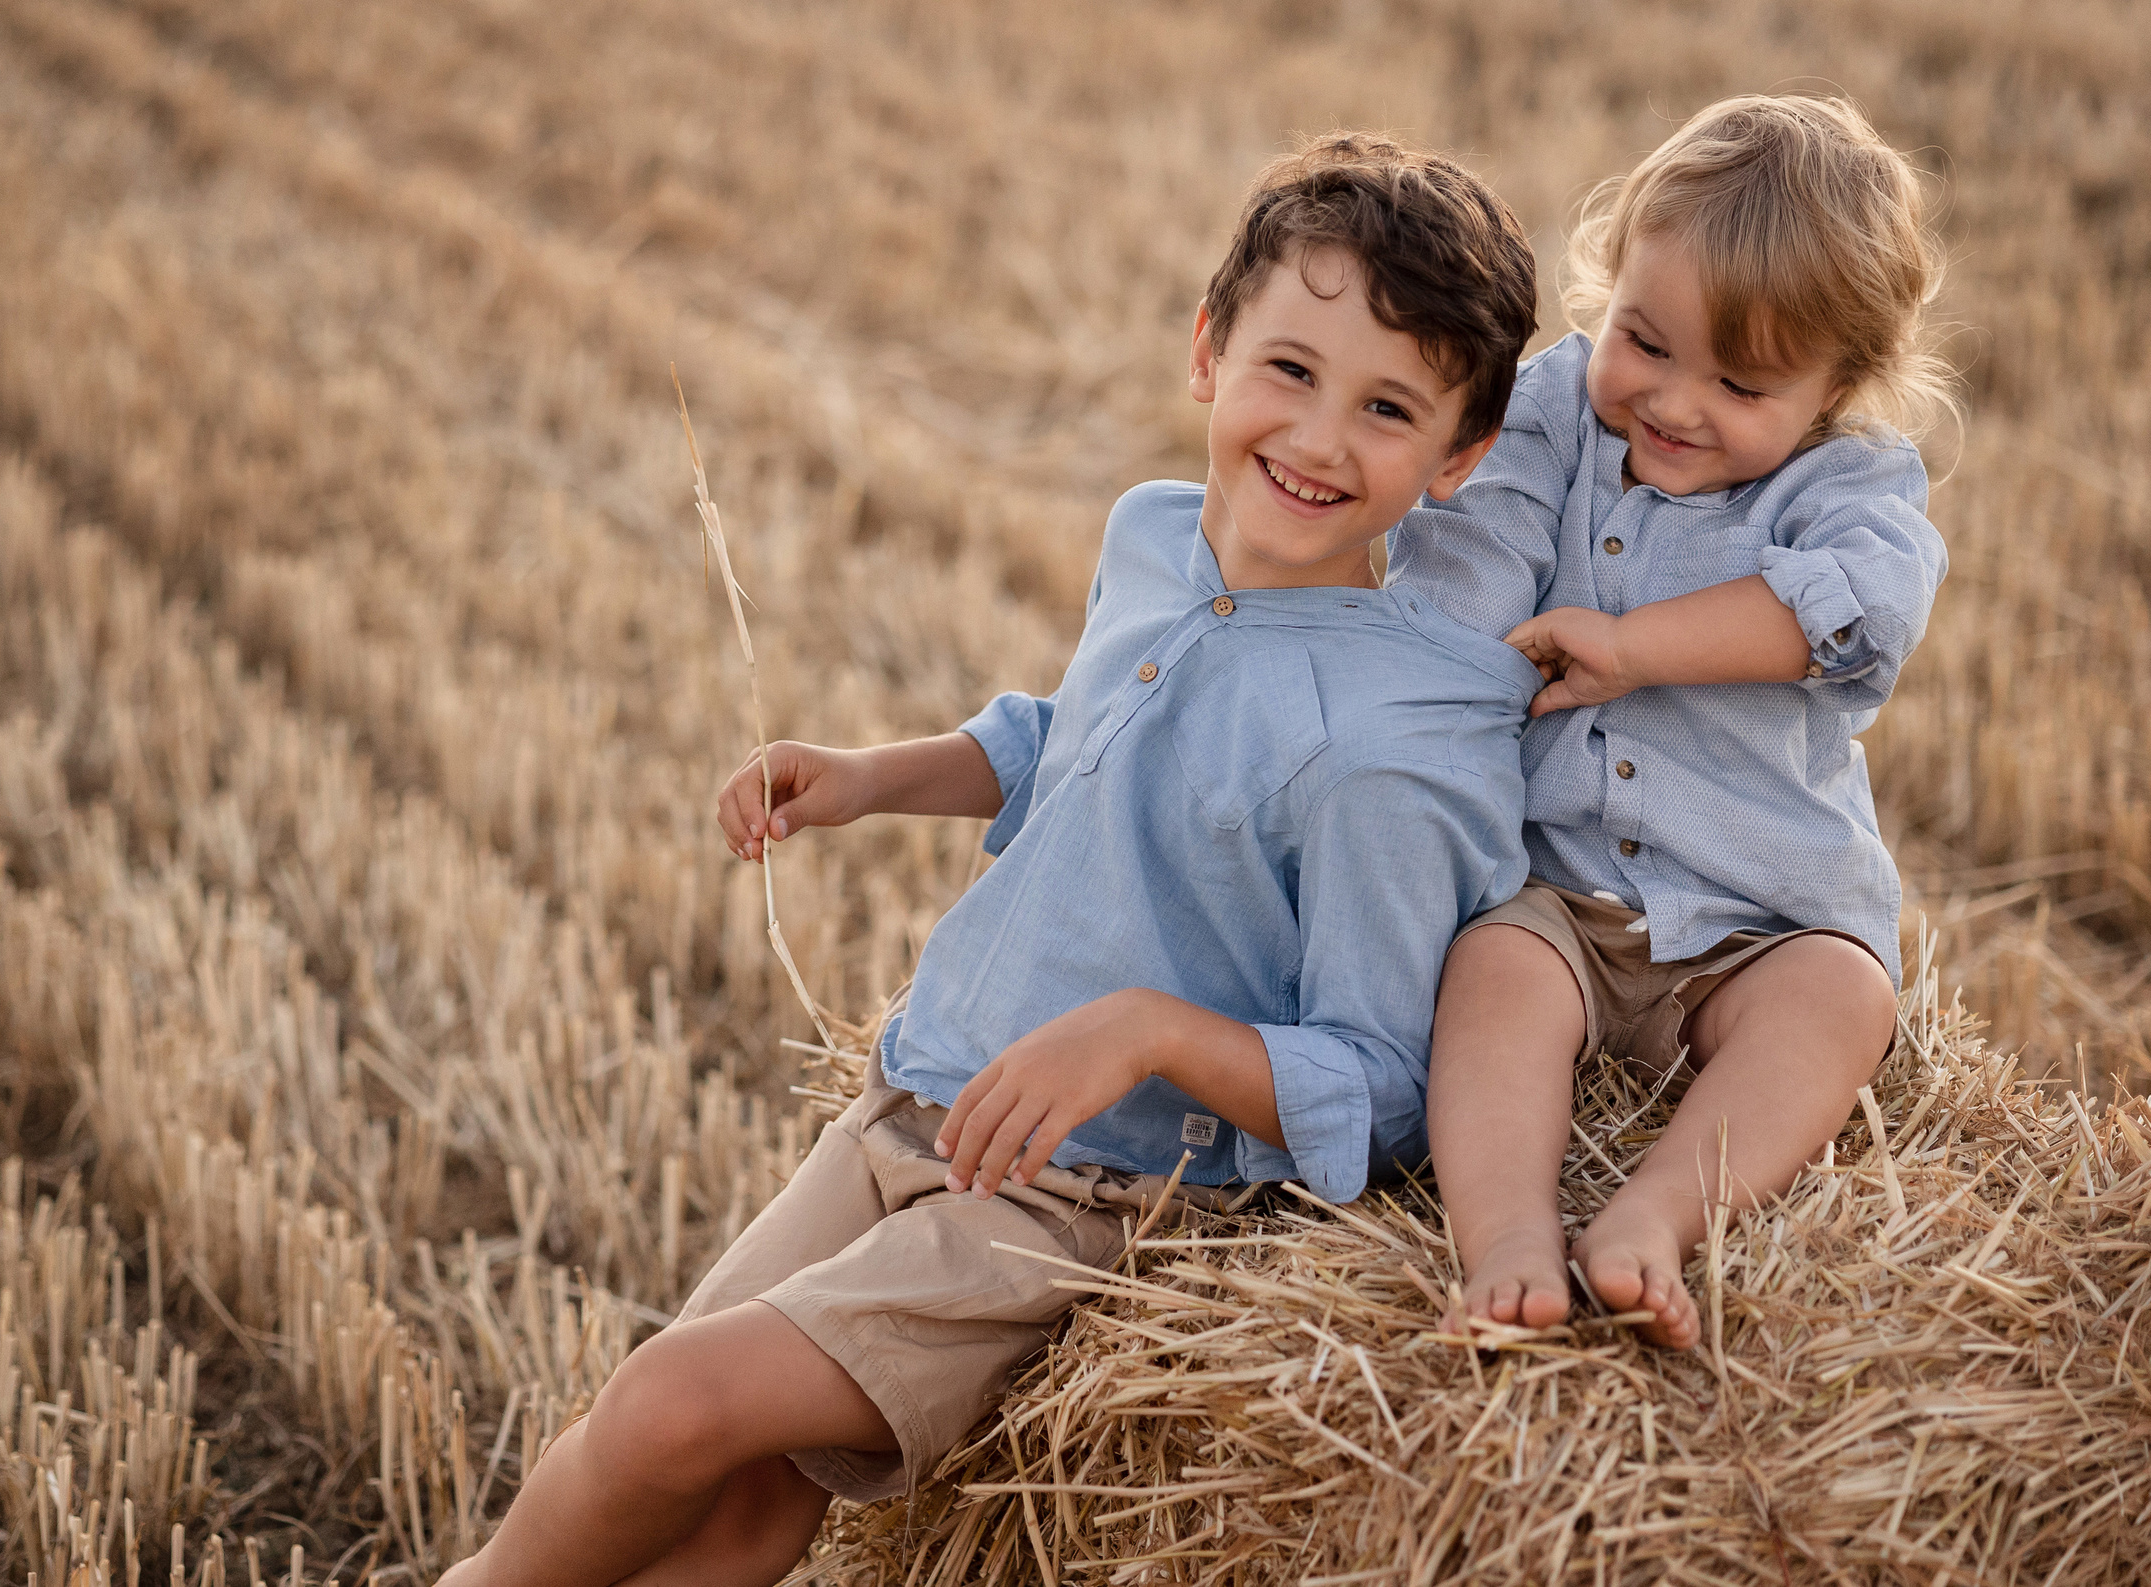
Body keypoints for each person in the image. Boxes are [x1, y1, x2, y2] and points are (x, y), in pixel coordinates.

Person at [437, 132, 1541, 1587]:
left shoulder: (1385, 751)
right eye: (1291, 370)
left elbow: (1382, 1083)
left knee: (670, 1402)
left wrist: (1145, 1033)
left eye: (1388, 407)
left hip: (1082, 1195)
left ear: (1457, 457)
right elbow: (1069, 734)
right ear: (1208, 350)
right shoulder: (1157, 535)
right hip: (922, 1087)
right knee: (744, 1491)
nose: (1322, 439)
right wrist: (872, 776)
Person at [1386, 93, 1954, 1350]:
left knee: (1845, 996)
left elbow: (1862, 608)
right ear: (1609, 285)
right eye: (1643, 343)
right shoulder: (1550, 411)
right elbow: (1470, 551)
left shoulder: (1848, 484)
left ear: (1837, 388)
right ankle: (1508, 1243)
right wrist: (1429, 681)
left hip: (1756, 915)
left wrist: (1635, 649)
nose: (1675, 403)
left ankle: (1654, 1217)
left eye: (1739, 382)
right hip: (1559, 892)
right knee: (1487, 975)